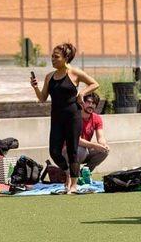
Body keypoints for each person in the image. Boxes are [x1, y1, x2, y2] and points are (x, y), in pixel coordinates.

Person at [30, 43, 99, 193]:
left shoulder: (74, 73)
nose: (53, 60)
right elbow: (42, 98)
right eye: (52, 57)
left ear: (66, 58)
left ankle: (73, 186)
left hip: (73, 116)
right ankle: (67, 171)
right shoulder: (50, 77)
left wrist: (82, 93)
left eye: (56, 57)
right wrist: (35, 87)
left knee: (72, 151)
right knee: (54, 151)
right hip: (57, 118)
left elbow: (95, 83)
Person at [63, 92, 109, 173]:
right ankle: (72, 173)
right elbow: (77, 140)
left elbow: (100, 137)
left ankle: (84, 173)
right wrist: (94, 145)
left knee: (103, 151)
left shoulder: (96, 118)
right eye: (88, 102)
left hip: (84, 150)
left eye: (94, 103)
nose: (91, 105)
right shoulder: (74, 116)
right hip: (68, 150)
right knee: (81, 150)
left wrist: (104, 145)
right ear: (82, 102)